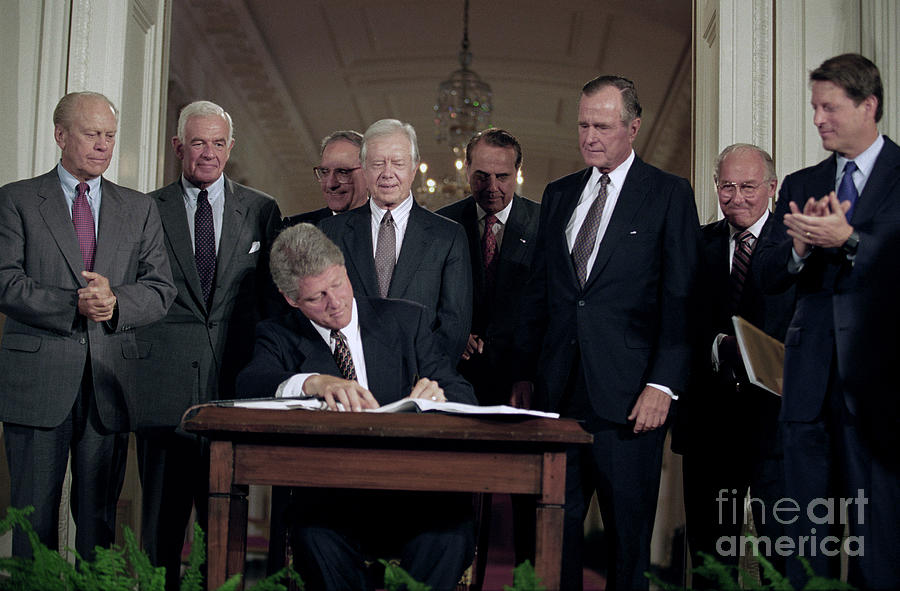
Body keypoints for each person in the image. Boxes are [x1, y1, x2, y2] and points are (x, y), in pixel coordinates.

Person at [512, 75, 700, 590]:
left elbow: (683, 303)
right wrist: (526, 375)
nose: (590, 136)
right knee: (555, 538)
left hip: (630, 402)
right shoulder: (558, 194)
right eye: (583, 125)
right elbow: (540, 296)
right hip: (558, 398)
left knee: (626, 548)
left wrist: (663, 385)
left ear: (633, 128)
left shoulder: (667, 194)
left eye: (602, 125)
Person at [236, 223, 476, 590]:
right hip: (333, 502)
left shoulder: (406, 321)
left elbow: (464, 396)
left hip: (416, 495)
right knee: (312, 536)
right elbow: (250, 384)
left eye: (338, 284)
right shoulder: (279, 335)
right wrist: (312, 381)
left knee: (451, 533)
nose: (335, 303)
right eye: (317, 297)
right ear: (291, 299)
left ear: (345, 270)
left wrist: (438, 399)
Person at [0, 91, 176, 559]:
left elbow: (161, 289)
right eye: (92, 133)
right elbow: (4, 281)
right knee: (32, 522)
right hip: (37, 385)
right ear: (60, 135)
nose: (103, 145)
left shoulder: (139, 208)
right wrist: (71, 305)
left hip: (110, 384)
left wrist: (115, 301)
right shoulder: (15, 200)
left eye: (110, 136)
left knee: (99, 525)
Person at [754, 53, 900, 589]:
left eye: (830, 107)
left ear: (869, 105)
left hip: (879, 388)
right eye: (814, 108)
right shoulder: (800, 181)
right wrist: (795, 246)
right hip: (808, 384)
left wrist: (851, 241)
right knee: (805, 544)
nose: (818, 119)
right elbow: (766, 274)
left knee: (877, 542)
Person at [130, 100, 283, 590]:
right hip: (162, 392)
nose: (209, 153)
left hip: (232, 391)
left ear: (231, 148)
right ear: (179, 147)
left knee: (223, 532)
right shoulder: (145, 210)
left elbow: (270, 305)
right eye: (198, 142)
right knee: (160, 532)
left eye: (219, 143)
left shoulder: (261, 210)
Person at [675, 144, 793, 580]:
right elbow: (677, 323)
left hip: (777, 431)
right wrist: (718, 346)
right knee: (710, 562)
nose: (736, 197)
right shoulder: (695, 245)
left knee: (781, 562)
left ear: (772, 188)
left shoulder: (799, 246)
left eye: (748, 186)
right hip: (709, 430)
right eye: (727, 186)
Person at [437, 128, 540, 568]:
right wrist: (453, 335)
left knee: (526, 505)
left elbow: (552, 308)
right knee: (451, 501)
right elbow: (424, 301)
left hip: (521, 384)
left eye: (503, 176)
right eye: (481, 176)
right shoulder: (441, 222)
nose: (492, 187)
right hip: (456, 383)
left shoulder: (545, 223)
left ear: (518, 172)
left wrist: (528, 375)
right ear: (466, 171)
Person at [319, 119, 472, 361]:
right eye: (378, 163)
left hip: (420, 381)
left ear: (414, 168)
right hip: (347, 379)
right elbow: (320, 312)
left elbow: (454, 324)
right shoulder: (331, 232)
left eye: (398, 163)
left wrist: (422, 376)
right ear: (364, 168)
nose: (387, 173)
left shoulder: (448, 236)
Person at [283, 130, 368, 226]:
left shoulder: (385, 226)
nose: (330, 184)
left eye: (343, 172)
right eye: (325, 172)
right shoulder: (294, 228)